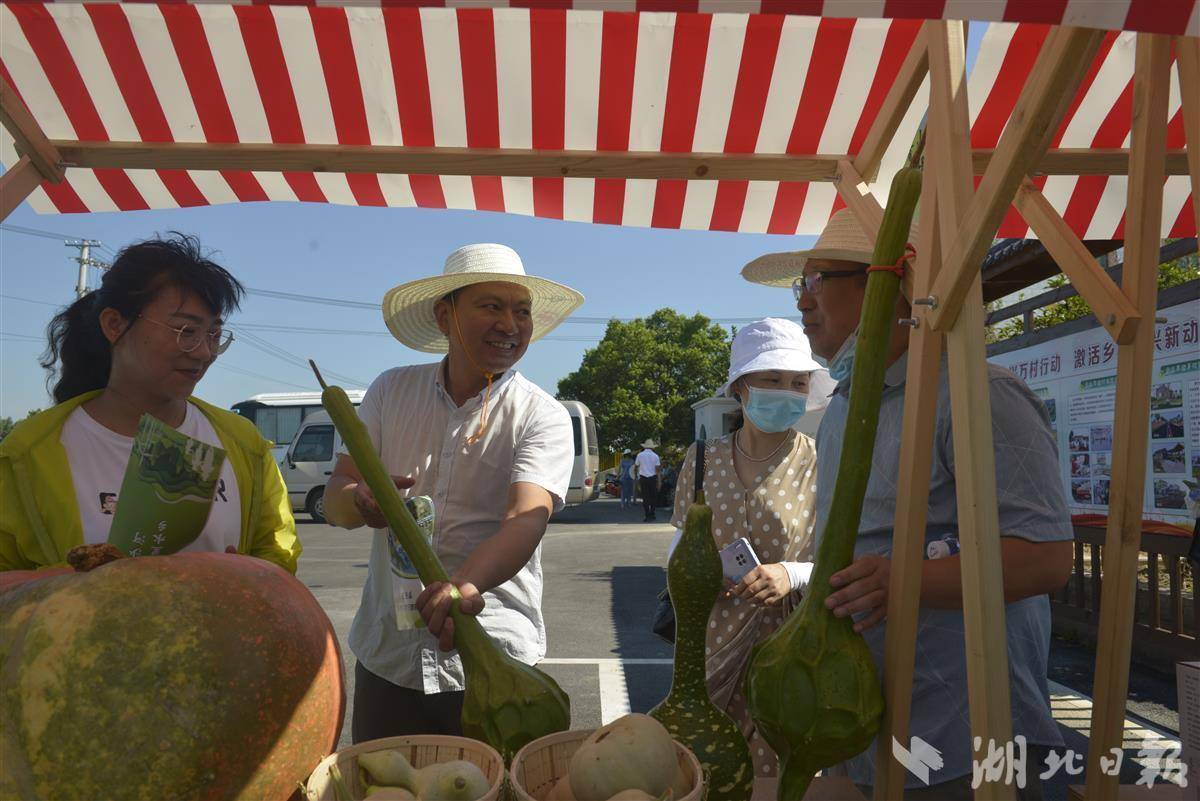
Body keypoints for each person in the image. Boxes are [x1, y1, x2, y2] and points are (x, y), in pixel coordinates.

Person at [744, 208, 1073, 799]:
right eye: (803, 285)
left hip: (970, 737)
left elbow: (1045, 560)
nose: (803, 303)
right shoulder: (841, 408)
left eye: (818, 282)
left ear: (893, 286)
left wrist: (905, 580)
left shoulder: (981, 396)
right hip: (872, 723)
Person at [322, 243, 582, 742]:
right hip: (389, 658)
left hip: (494, 657)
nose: (511, 324)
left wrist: (463, 585)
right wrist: (359, 501)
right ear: (446, 316)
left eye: (521, 311)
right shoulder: (389, 392)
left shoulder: (540, 413)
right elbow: (337, 498)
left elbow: (527, 518)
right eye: (491, 306)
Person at [0, 234, 300, 573]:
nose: (203, 352)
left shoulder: (244, 444)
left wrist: (250, 575)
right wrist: (68, 584)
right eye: (186, 330)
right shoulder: (28, 455)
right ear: (115, 325)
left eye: (214, 334)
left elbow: (278, 552)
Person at [669, 317, 834, 778]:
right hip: (710, 642)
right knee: (706, 769)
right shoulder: (702, 459)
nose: (786, 390)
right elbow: (680, 547)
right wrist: (702, 572)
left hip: (790, 645)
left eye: (797, 382)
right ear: (741, 386)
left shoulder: (821, 459)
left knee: (778, 770)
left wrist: (791, 574)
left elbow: (840, 556)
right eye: (772, 378)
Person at [634, 440, 662, 522]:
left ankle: (647, 515)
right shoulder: (655, 456)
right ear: (652, 447)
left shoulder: (640, 455)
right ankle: (652, 514)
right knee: (653, 497)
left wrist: (636, 477)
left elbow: (636, 467)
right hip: (653, 478)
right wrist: (659, 481)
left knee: (645, 497)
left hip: (643, 478)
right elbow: (658, 470)